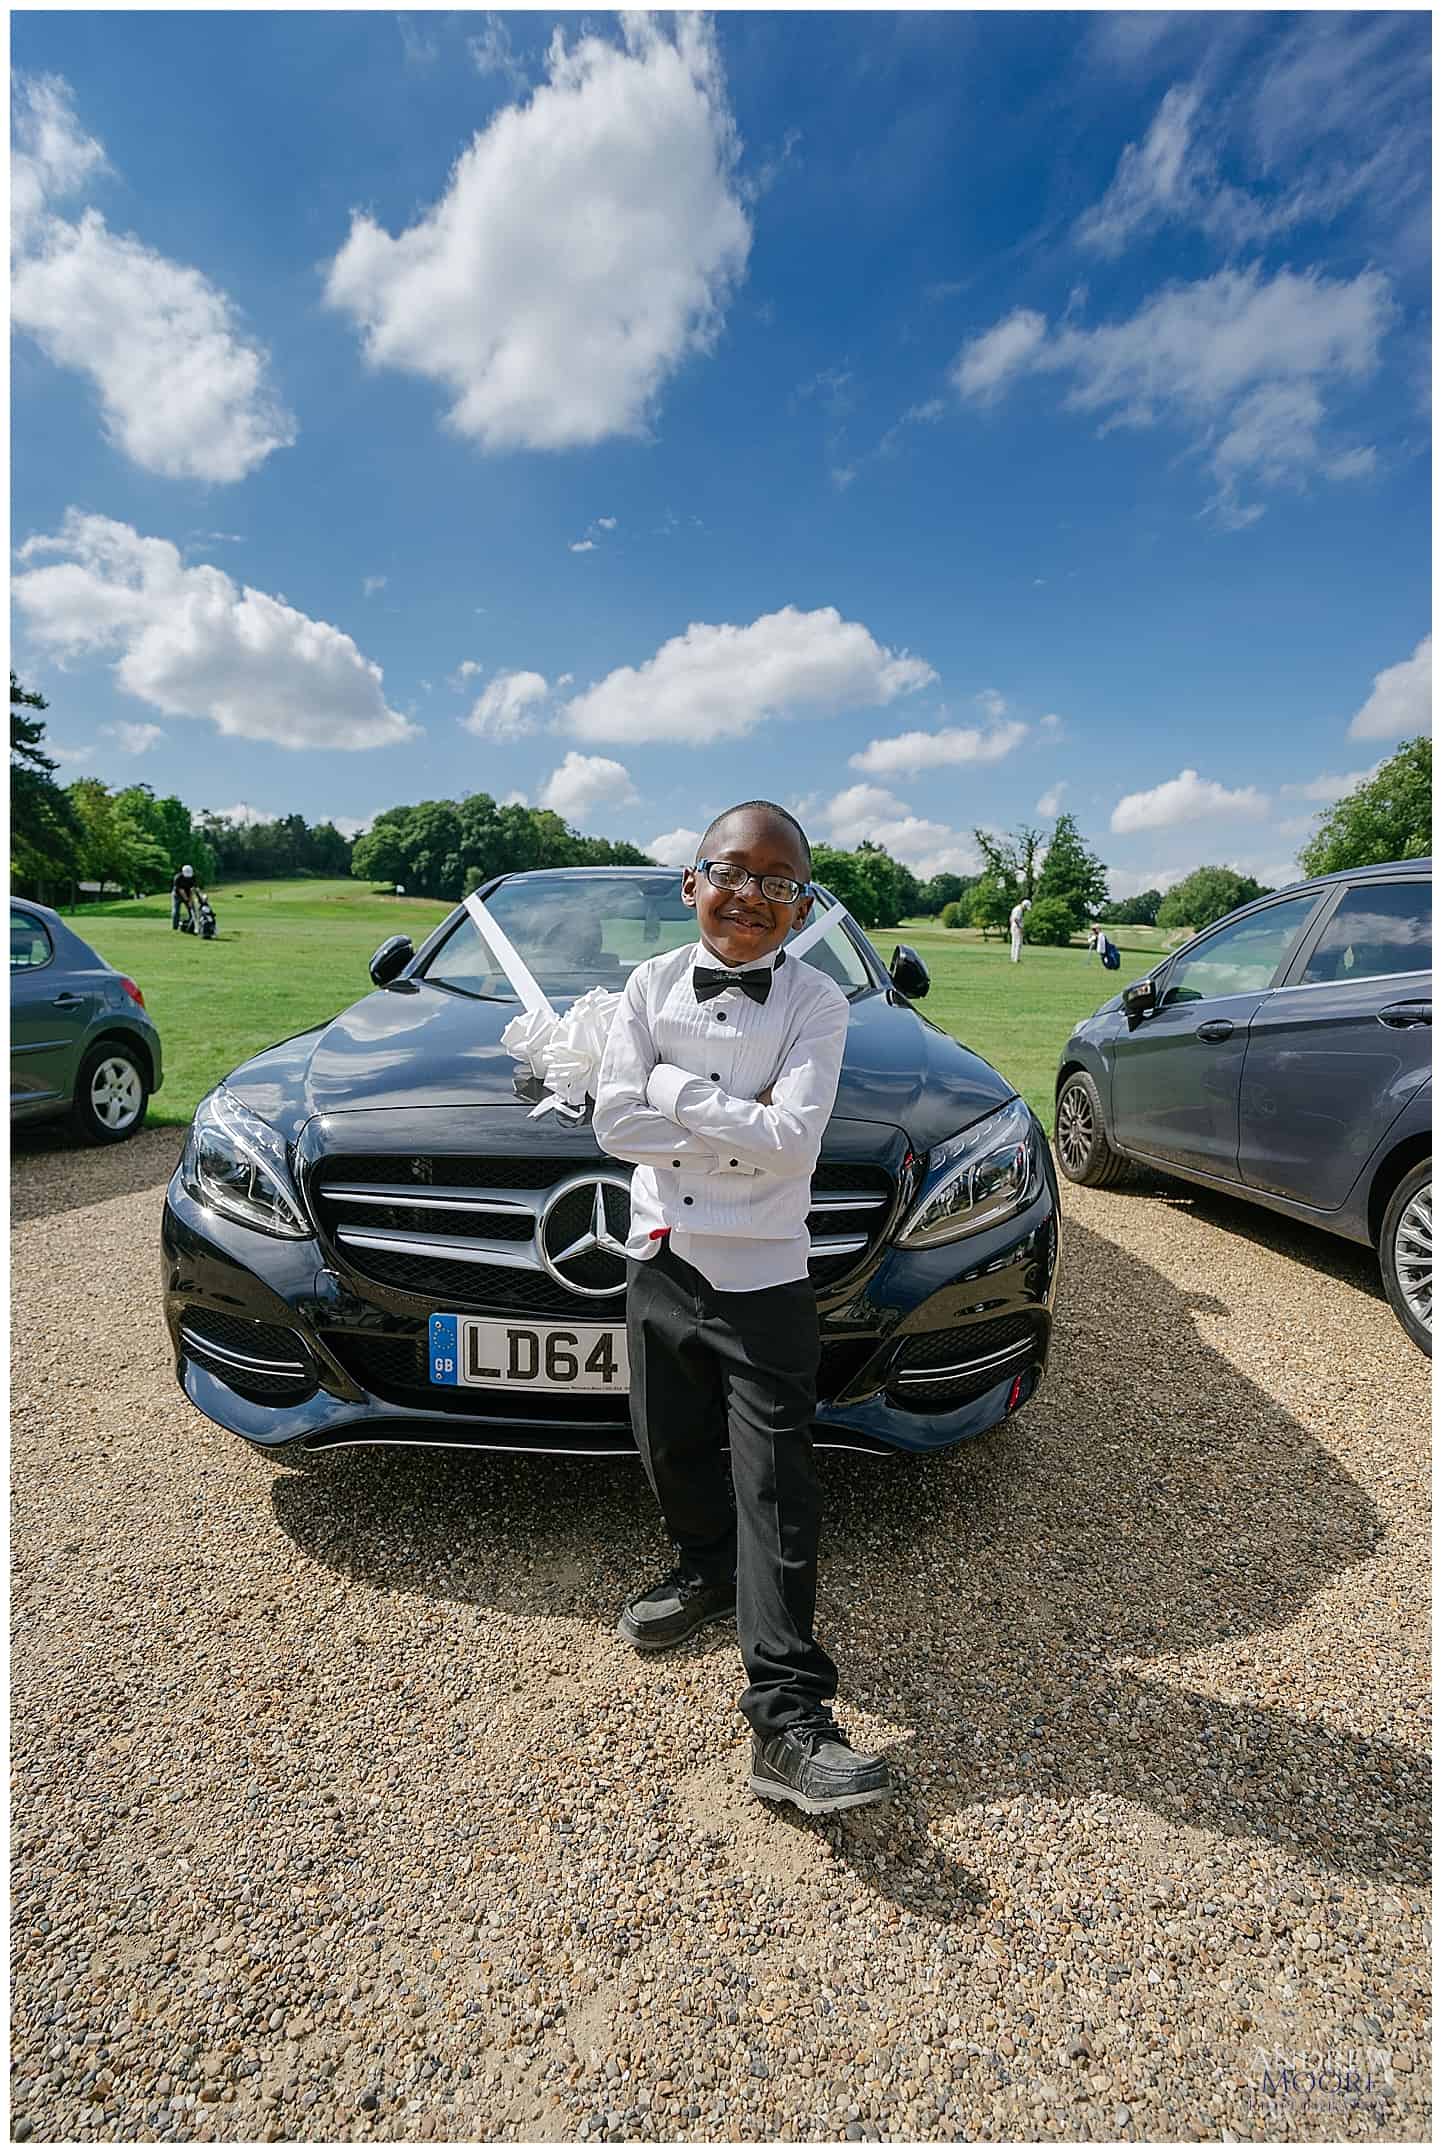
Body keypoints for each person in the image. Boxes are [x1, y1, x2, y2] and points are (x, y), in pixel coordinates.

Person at [592, 799, 893, 1817]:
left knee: (775, 1490)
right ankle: (703, 1569)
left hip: (765, 1275)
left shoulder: (819, 1002)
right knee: (668, 1446)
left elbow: (794, 1142)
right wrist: (730, 1121)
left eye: (777, 881)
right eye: (731, 871)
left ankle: (789, 1723)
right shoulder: (643, 985)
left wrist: (669, 1090)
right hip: (660, 1259)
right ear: (691, 881)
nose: (749, 895)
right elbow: (609, 1120)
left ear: (800, 904)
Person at [171, 863, 199, 931]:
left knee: (192, 910)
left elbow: (192, 890)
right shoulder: (178, 878)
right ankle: (175, 927)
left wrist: (190, 900)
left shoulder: (193, 877)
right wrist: (187, 900)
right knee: (176, 911)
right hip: (177, 895)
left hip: (188, 894)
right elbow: (181, 890)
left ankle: (192, 925)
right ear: (183, 872)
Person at [1008, 895, 1032, 963]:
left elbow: (1011, 918)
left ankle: (1013, 958)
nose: (1026, 910)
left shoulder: (1017, 908)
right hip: (1016, 927)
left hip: (1014, 926)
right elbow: (1016, 919)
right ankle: (1016, 959)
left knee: (1014, 943)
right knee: (1018, 943)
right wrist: (1020, 928)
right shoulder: (1019, 909)